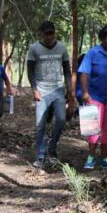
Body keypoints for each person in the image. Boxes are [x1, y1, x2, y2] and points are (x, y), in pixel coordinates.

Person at [27, 21, 73, 169]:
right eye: (46, 33)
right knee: (40, 124)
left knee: (61, 119)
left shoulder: (61, 47)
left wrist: (69, 89)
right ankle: (41, 155)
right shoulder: (34, 48)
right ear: (41, 33)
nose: (49, 36)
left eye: (51, 33)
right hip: (42, 90)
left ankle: (52, 149)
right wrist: (34, 89)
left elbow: (66, 69)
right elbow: (30, 71)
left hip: (58, 90)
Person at [78, 25, 107, 170]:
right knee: (92, 130)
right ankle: (91, 156)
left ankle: (104, 157)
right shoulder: (92, 53)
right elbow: (84, 73)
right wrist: (85, 93)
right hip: (94, 97)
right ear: (103, 38)